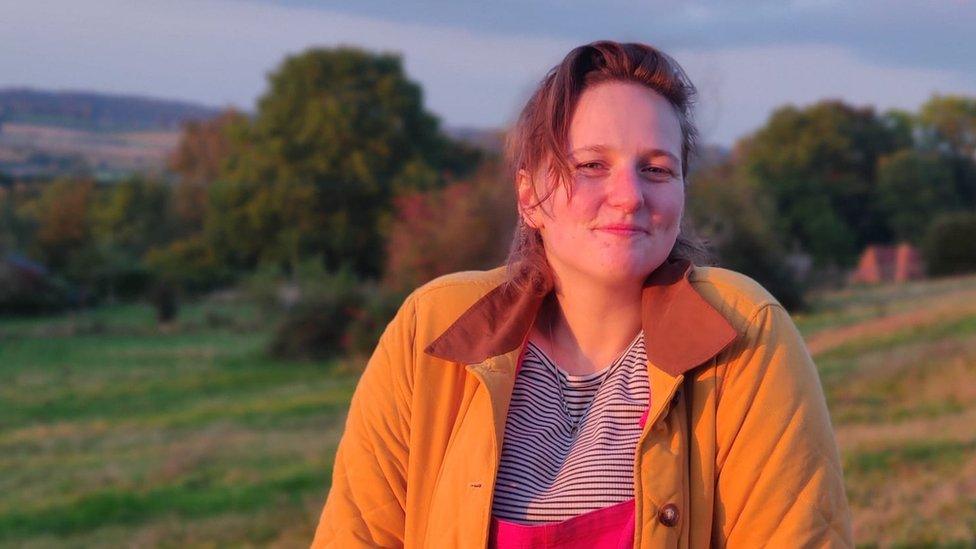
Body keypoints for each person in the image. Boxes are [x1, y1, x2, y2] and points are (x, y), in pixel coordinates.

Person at [312, 40, 853, 548]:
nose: (629, 196)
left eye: (657, 169)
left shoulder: (744, 331)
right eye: (591, 165)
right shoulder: (432, 328)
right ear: (528, 195)